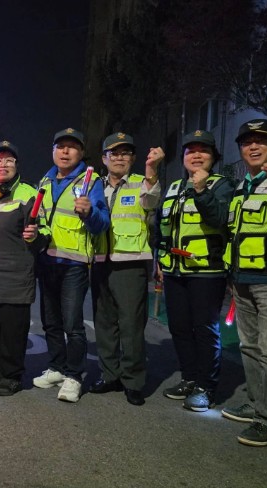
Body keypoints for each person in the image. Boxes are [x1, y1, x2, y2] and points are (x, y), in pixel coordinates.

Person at [155, 130, 234, 411]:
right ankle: (189, 378)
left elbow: (219, 219)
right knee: (179, 327)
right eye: (191, 151)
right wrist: (160, 260)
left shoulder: (222, 185)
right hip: (174, 271)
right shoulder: (175, 187)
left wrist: (201, 190)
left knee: (204, 329)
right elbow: (162, 227)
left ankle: (206, 387)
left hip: (206, 272)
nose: (196, 155)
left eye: (203, 150)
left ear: (213, 157)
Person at [34, 128, 110, 403]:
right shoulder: (44, 180)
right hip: (46, 261)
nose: (65, 151)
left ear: (81, 152)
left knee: (72, 324)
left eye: (72, 147)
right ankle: (56, 367)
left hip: (74, 264)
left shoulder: (91, 181)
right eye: (60, 146)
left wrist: (89, 212)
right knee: (50, 322)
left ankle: (74, 376)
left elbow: (103, 224)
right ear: (53, 151)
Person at [89, 132, 163, 406]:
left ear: (132, 158)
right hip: (100, 262)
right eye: (114, 153)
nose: (119, 158)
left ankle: (133, 381)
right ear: (104, 158)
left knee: (131, 325)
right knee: (104, 323)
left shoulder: (142, 183)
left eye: (125, 153)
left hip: (130, 264)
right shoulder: (95, 186)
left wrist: (151, 170)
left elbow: (152, 200)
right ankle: (110, 375)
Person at [221, 119, 267, 446]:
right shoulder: (242, 185)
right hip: (242, 279)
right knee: (250, 347)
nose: (254, 146)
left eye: (262, 140)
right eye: (247, 142)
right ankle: (259, 405)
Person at [0, 141, 45, 396]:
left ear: (16, 165)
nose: (2, 165)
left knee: (13, 330)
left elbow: (44, 231)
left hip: (16, 275)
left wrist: (35, 235)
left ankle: (12, 374)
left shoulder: (28, 194)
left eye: (8, 161)